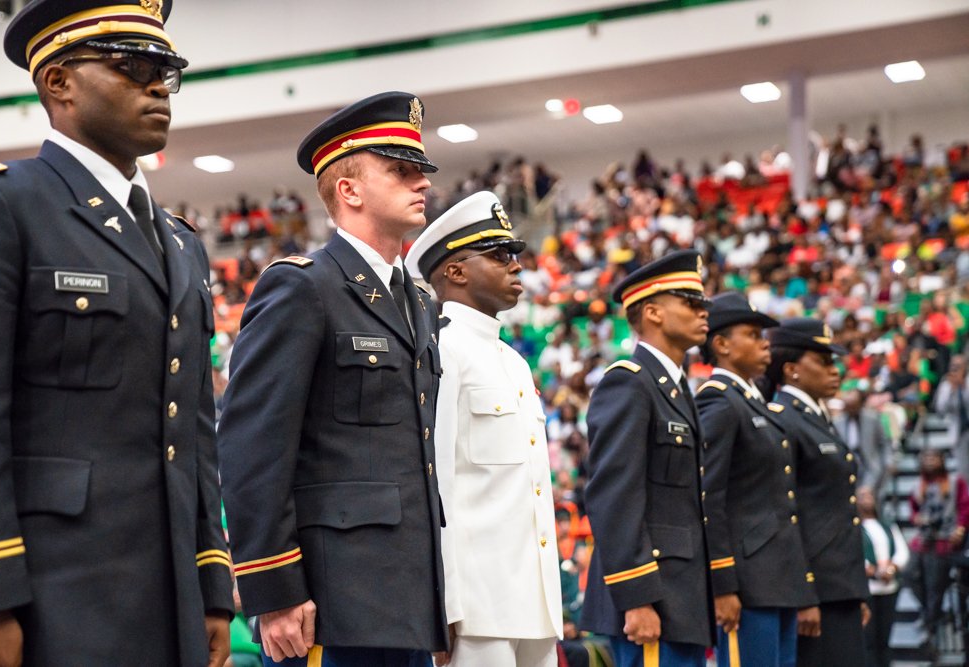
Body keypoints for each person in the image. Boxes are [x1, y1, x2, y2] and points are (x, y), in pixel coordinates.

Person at [0, 1, 234, 664]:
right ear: (58, 82)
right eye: (134, 65)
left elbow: (192, 432)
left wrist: (211, 584)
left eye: (166, 71)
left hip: (168, 592)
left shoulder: (181, 243)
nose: (156, 86)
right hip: (53, 597)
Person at [217, 92, 447, 667]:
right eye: (400, 170)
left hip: (404, 597)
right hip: (328, 600)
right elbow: (254, 446)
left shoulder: (416, 298)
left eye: (421, 170)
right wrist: (274, 590)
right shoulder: (303, 287)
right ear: (349, 190)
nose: (421, 182)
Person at [405, 190, 563, 666]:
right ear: (455, 271)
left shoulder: (514, 362)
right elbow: (439, 489)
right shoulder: (442, 352)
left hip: (532, 599)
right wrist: (445, 602)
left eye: (514, 255)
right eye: (499, 256)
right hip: (477, 604)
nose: (516, 265)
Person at [580, 250, 716, 667]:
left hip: (682, 595)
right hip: (651, 597)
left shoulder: (675, 389)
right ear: (653, 312)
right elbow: (613, 497)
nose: (702, 313)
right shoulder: (629, 383)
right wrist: (636, 597)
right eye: (690, 303)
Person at [695, 293, 818, 666]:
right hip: (747, 581)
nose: (765, 343)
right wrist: (724, 584)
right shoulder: (718, 401)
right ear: (721, 344)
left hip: (777, 577)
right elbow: (708, 497)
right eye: (752, 334)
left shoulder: (751, 401)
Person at [764, 319, 869, 667]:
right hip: (815, 592)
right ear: (791, 369)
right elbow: (785, 512)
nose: (834, 369)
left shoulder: (816, 418)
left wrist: (855, 589)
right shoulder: (784, 420)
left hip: (839, 586)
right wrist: (804, 593)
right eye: (822, 361)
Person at [906, 448, 969, 645]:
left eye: (934, 457)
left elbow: (965, 506)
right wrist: (918, 519)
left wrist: (960, 528)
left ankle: (931, 625)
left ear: (942, 460)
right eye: (926, 457)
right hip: (924, 539)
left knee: (935, 585)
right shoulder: (919, 485)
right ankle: (930, 613)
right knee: (909, 576)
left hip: (945, 541)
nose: (930, 461)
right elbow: (913, 510)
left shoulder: (954, 482)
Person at [857, 485, 909, 667]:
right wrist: (875, 571)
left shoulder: (887, 525)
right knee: (869, 640)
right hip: (868, 589)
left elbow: (902, 552)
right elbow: (855, 555)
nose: (867, 498)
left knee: (884, 639)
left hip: (889, 586)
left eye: (870, 494)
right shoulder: (855, 528)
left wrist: (891, 569)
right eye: (862, 495)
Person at [832, 390, 894, 497]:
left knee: (869, 497)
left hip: (870, 463)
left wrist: (889, 460)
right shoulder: (837, 422)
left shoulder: (873, 418)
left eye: (853, 406)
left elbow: (885, 442)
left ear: (861, 404)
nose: (850, 409)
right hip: (848, 466)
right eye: (848, 406)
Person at [933, 355, 969, 482]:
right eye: (953, 366)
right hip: (959, 430)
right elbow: (940, 410)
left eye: (959, 366)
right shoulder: (946, 385)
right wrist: (952, 390)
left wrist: (963, 386)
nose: (956, 369)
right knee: (963, 468)